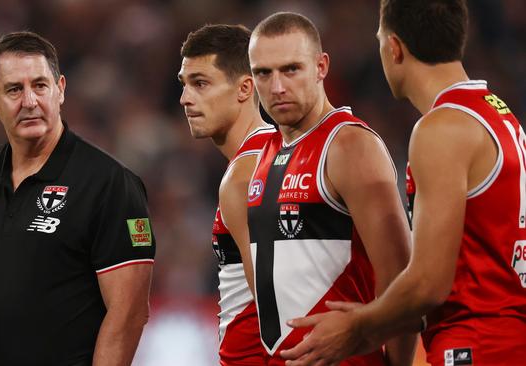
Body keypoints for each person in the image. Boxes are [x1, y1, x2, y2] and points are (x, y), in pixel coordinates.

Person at [281, 1, 526, 366]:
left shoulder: (441, 129)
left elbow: (429, 283)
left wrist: (355, 326)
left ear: (393, 47)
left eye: (380, 41)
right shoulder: (497, 113)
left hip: (476, 346)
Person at [0, 31, 155, 366]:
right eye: (14, 90)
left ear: (60, 89)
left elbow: (129, 312)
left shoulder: (109, 183)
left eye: (40, 85)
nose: (30, 101)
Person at [246, 12, 417, 366]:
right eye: (264, 72)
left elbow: (400, 276)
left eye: (291, 69)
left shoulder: (349, 145)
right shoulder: (265, 153)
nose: (277, 87)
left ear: (321, 66)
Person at [178, 24, 276, 365]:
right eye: (184, 84)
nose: (185, 98)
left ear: (245, 88)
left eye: (201, 83)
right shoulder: (278, 156)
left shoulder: (244, 175)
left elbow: (274, 308)